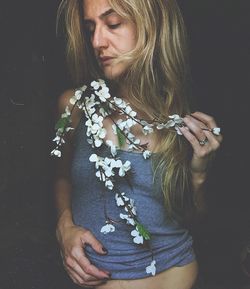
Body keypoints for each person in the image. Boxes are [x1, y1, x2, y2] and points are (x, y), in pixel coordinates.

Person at [52, 0, 223, 288]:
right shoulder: (75, 105)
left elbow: (194, 219)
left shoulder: (181, 122)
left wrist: (199, 173)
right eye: (90, 27)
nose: (97, 41)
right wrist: (64, 226)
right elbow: (61, 177)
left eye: (113, 23)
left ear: (151, 25)